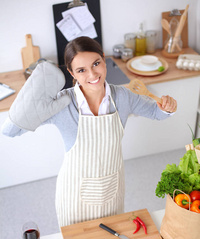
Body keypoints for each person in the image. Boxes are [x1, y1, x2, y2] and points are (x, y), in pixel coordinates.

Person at [1, 36, 177, 227]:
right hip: (74, 195)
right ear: (71, 73)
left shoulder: (123, 97)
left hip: (112, 191)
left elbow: (156, 112)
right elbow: (10, 130)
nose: (92, 74)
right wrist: (31, 96)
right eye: (81, 70)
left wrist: (168, 107)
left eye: (96, 64)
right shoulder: (61, 104)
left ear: (104, 59)